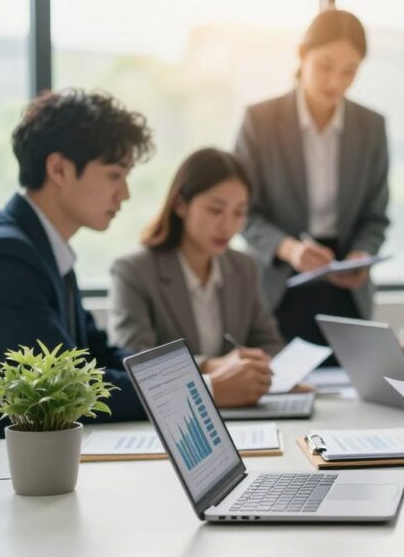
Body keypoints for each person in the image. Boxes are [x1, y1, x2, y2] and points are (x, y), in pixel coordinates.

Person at [0, 89, 153, 439]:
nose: (124, 194)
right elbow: (67, 390)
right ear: (59, 168)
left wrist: (189, 372)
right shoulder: (6, 256)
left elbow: (97, 356)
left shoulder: (46, 248)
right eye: (114, 174)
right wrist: (203, 389)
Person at [234, 8, 389, 349]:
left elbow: (375, 215)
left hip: (346, 281)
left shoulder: (371, 127)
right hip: (280, 279)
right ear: (302, 54)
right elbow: (243, 213)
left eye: (350, 71)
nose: (336, 81)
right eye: (326, 66)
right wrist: (289, 249)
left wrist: (363, 253)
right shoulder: (259, 121)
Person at [109, 148, 283, 408]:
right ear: (180, 205)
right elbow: (134, 359)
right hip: (176, 415)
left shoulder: (243, 267)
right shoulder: (133, 271)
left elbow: (269, 342)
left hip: (244, 410)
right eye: (216, 210)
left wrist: (255, 364)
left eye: (239, 213)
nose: (228, 226)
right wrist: (209, 367)